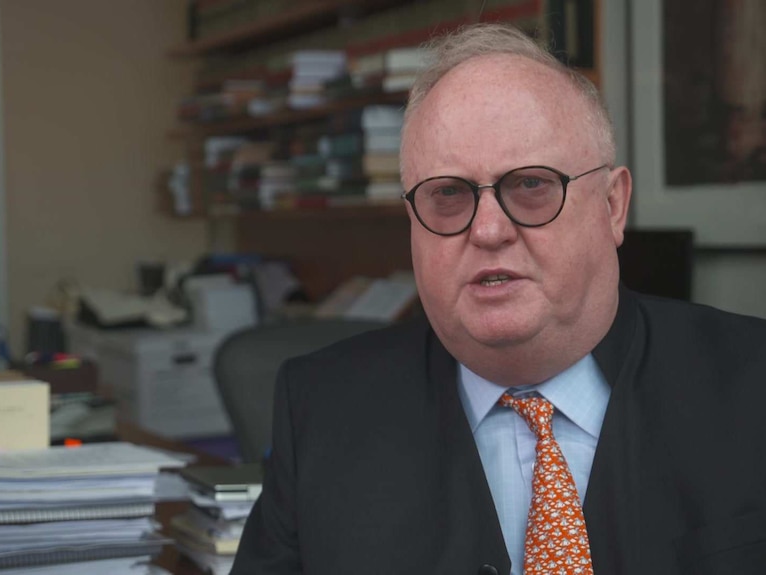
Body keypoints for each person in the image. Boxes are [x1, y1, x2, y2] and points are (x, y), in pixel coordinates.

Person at [231, 22, 766, 575]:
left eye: (531, 185)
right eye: (447, 194)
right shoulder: (321, 409)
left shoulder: (754, 385)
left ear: (612, 205)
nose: (488, 231)